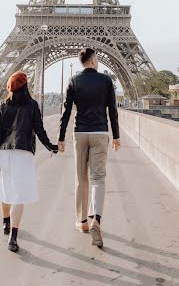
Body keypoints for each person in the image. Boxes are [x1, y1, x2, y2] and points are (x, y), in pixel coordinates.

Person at [58, 48, 121, 248]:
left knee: (81, 179)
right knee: (98, 178)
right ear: (93, 60)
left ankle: (82, 221)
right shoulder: (106, 80)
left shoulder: (74, 80)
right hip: (100, 133)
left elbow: (66, 110)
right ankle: (96, 219)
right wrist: (116, 136)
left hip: (80, 133)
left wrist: (61, 138)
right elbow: (113, 109)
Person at [0, 71, 58, 252]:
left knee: (6, 191)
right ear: (26, 86)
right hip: (23, 153)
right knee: (18, 196)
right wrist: (51, 146)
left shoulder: (2, 106)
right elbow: (39, 130)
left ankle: (5, 222)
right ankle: (13, 237)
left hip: (4, 152)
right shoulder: (32, 105)